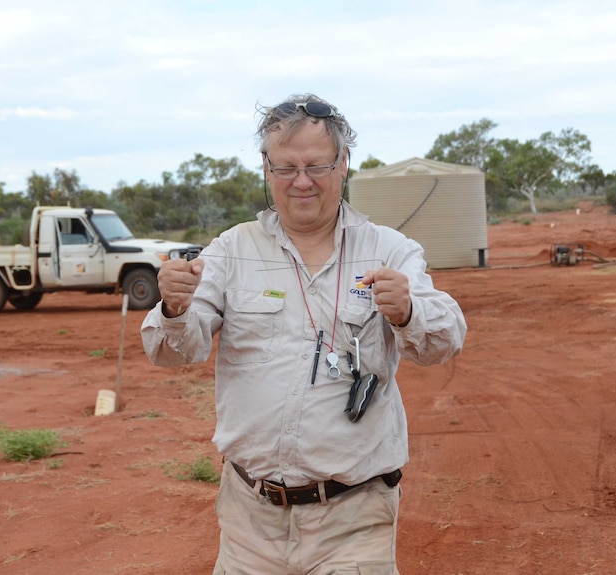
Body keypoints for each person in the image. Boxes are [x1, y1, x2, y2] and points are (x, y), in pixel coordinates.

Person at [141, 93, 467, 574]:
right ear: (267, 169)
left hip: (353, 517)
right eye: (286, 168)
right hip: (249, 519)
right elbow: (174, 353)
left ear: (343, 164)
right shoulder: (230, 251)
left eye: (316, 166)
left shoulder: (388, 249)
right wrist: (172, 306)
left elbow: (445, 341)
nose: (301, 182)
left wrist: (408, 312)